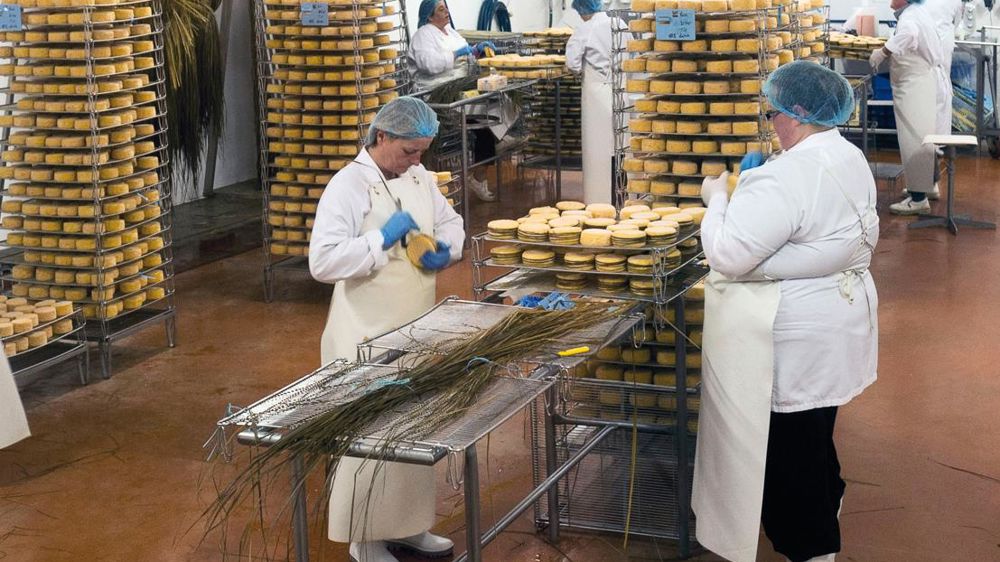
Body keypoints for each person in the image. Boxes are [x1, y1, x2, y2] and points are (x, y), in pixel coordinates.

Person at [694, 61, 879, 562]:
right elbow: (835, 240)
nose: (770, 123)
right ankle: (827, 507)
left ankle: (813, 548)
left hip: (797, 338)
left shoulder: (785, 176)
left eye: (773, 112)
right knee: (816, 434)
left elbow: (730, 257)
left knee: (789, 457)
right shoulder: (847, 154)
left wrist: (717, 202)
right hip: (839, 323)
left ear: (796, 114)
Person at [309, 96, 465, 562]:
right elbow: (323, 260)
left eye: (422, 152)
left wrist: (446, 248)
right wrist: (381, 238)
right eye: (409, 151)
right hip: (364, 337)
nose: (417, 161)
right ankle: (365, 538)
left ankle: (409, 525)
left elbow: (451, 222)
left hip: (414, 330)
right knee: (368, 439)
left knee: (410, 433)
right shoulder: (348, 185)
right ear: (381, 137)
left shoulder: (418, 176)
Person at [408, 0, 498, 202]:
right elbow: (429, 65)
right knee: (486, 120)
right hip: (437, 95)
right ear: (429, 16)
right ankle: (479, 173)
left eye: (446, 7)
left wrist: (475, 51)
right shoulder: (423, 35)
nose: (447, 11)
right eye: (441, 9)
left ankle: (500, 139)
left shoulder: (450, 31)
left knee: (493, 109)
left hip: (461, 88)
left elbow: (465, 56)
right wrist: (456, 54)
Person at [870, 0, 951, 215]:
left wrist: (883, 52)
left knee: (913, 139)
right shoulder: (917, 11)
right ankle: (929, 186)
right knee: (925, 136)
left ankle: (918, 199)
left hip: (914, 85)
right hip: (920, 81)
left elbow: (909, 36)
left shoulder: (911, 16)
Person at [565, 0, 615, 204]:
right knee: (619, 146)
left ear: (582, 10)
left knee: (597, 150)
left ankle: (599, 200)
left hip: (596, 97)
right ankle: (621, 194)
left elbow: (572, 64)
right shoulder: (619, 24)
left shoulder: (585, 29)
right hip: (620, 92)